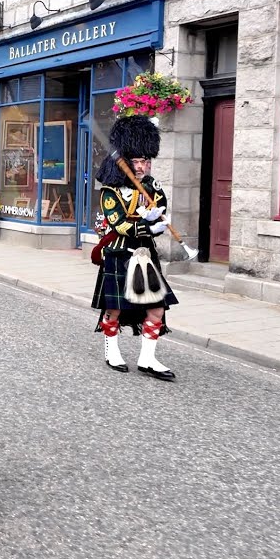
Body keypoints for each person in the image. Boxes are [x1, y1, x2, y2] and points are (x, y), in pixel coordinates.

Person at [91, 114, 178, 381]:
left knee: (157, 309)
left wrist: (159, 221)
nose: (141, 167)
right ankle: (111, 350)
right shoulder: (111, 191)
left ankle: (148, 358)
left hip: (146, 255)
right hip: (119, 252)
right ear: (125, 161)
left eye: (145, 161)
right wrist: (146, 225)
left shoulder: (153, 187)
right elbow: (118, 224)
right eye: (136, 161)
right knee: (115, 308)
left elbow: (160, 211)